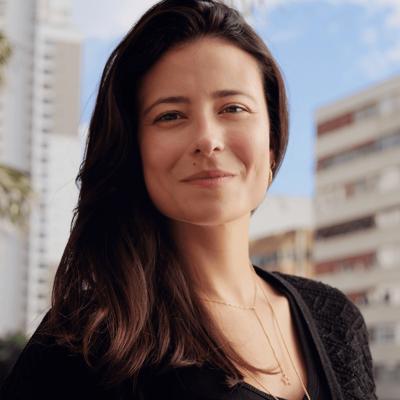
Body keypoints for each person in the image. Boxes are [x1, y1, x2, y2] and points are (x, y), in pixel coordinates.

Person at [0, 1, 377, 399]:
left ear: (271, 143)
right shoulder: (86, 341)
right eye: (171, 115)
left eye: (233, 108)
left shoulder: (337, 320)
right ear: (133, 150)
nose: (208, 140)